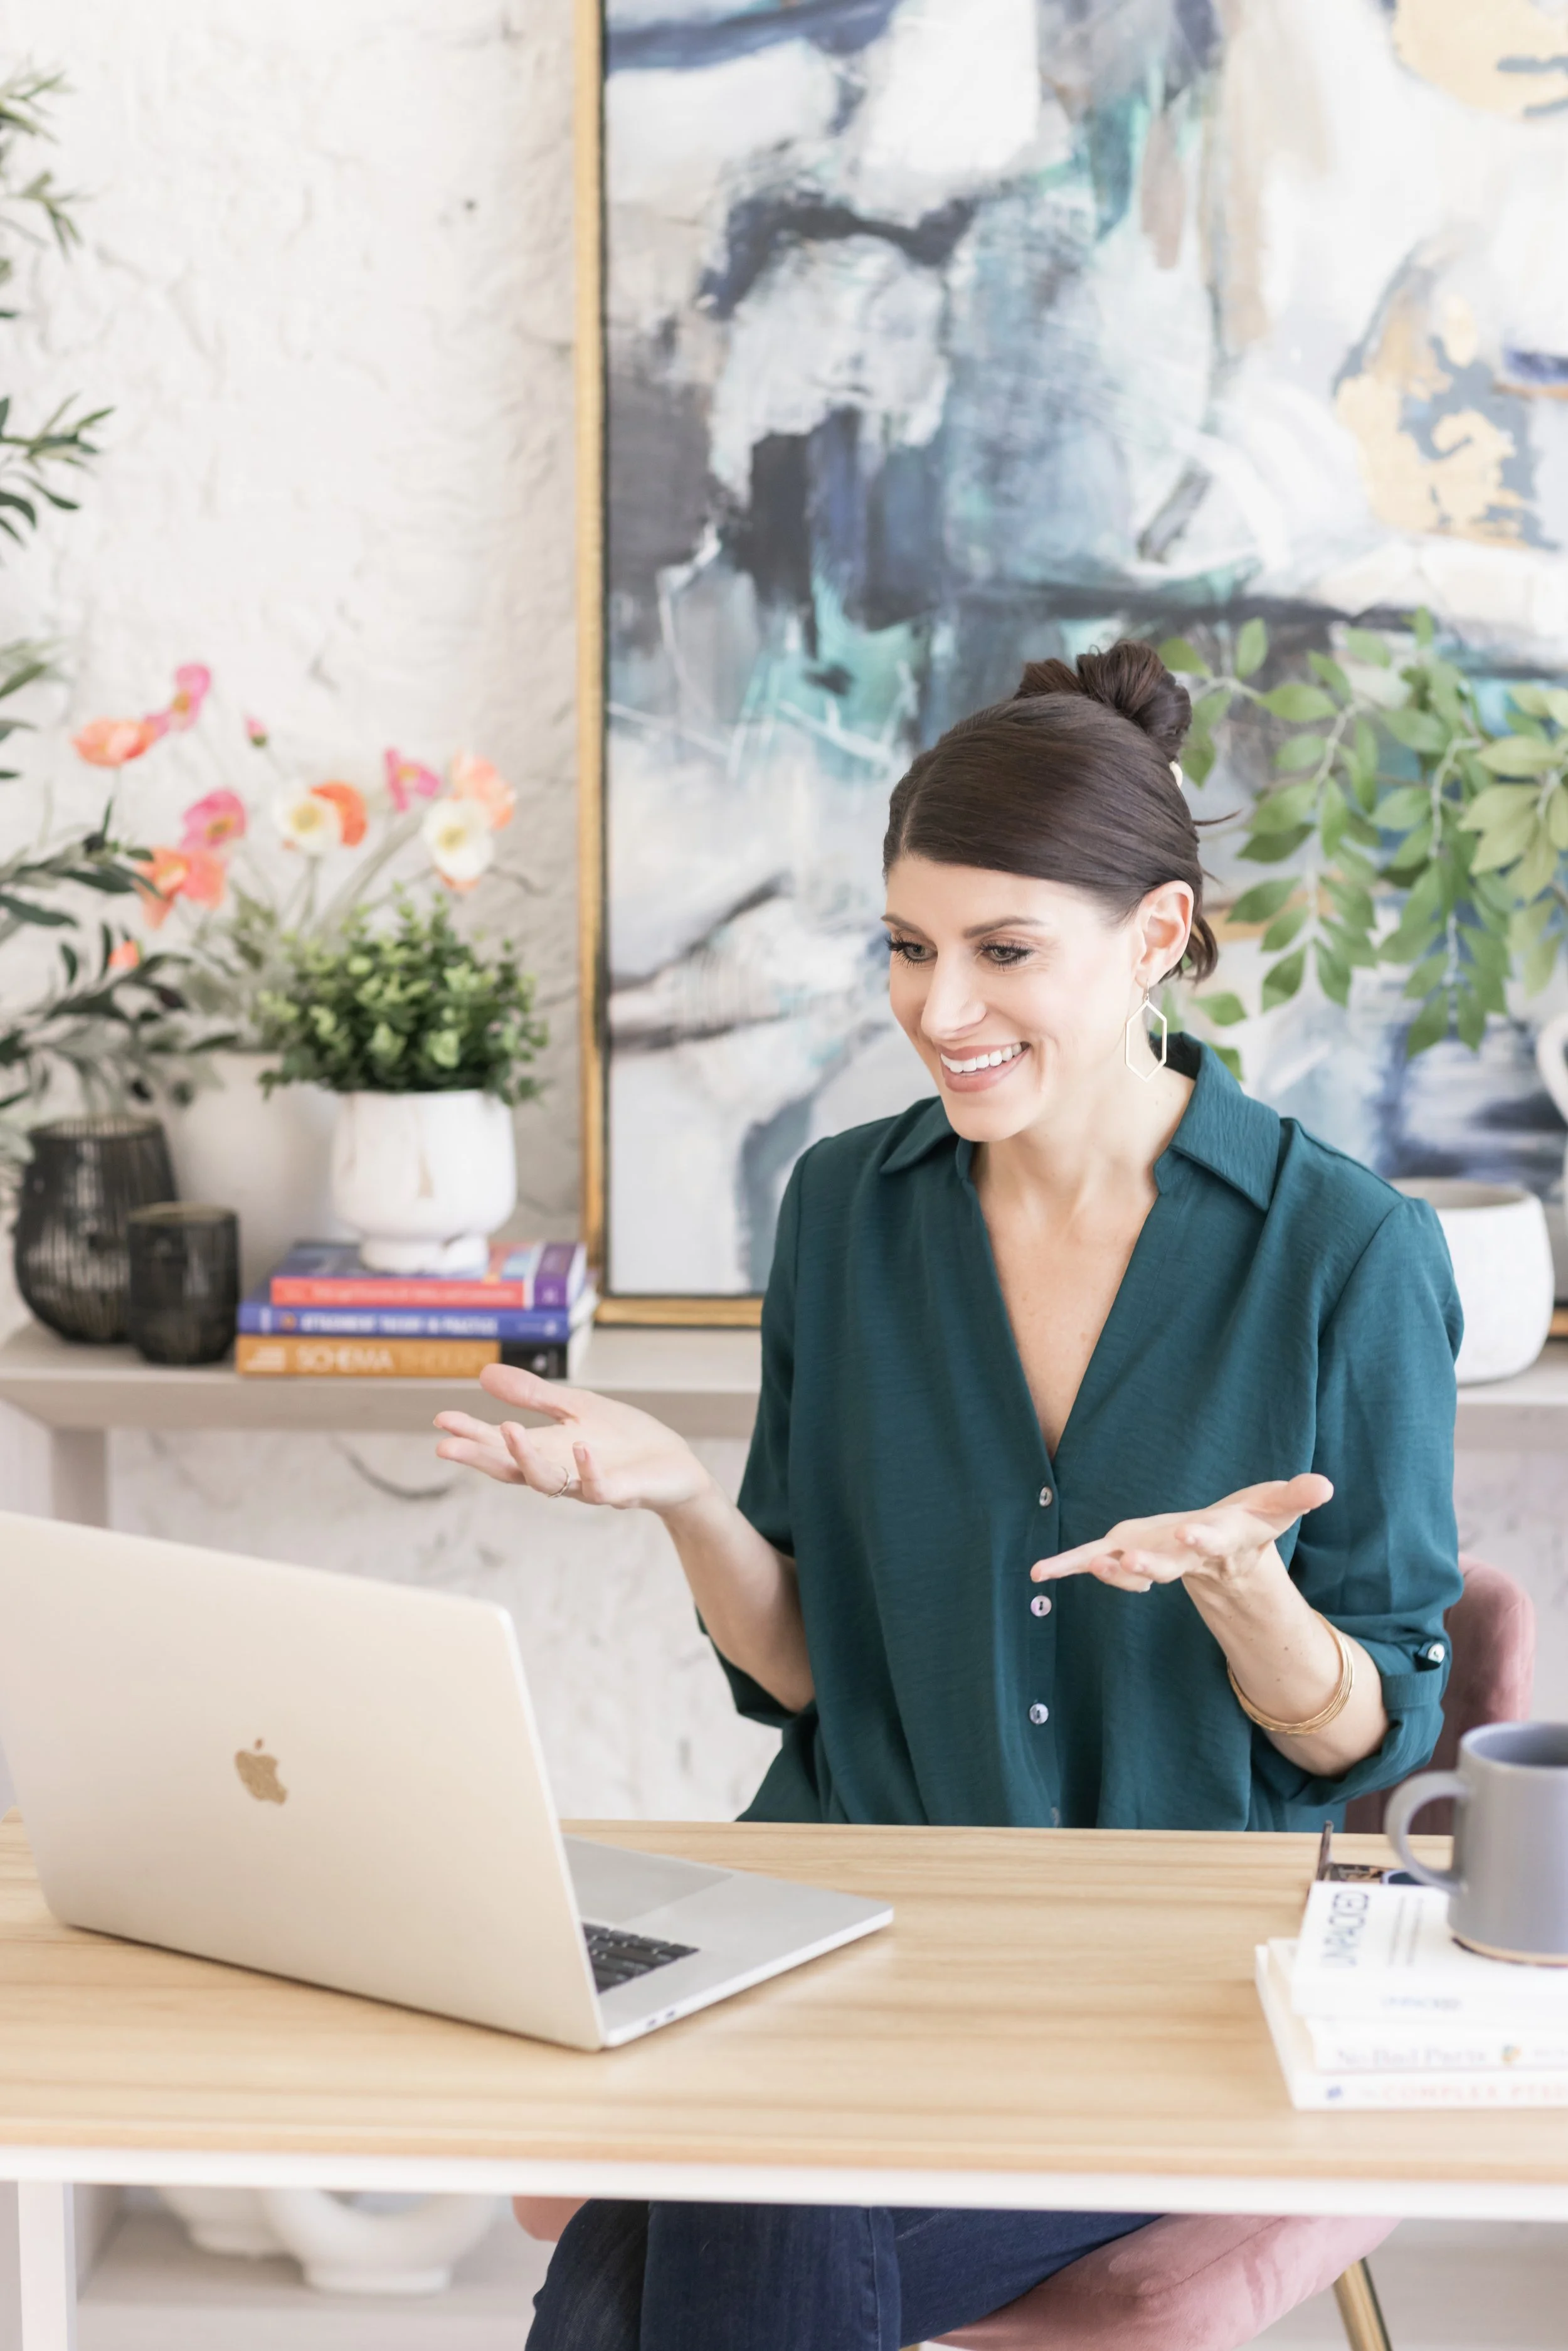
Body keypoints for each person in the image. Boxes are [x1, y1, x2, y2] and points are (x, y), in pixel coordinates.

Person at [434, 640, 1462, 2351]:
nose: (937, 1009)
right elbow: (816, 1676)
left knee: (651, 2271)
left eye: (1002, 953)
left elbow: (1371, 1740)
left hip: (1170, 1989)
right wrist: (689, 1496)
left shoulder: (1342, 1251)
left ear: (1152, 936)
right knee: (738, 2206)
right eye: (908, 948)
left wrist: (1246, 1596)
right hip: (837, 1935)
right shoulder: (845, 1209)